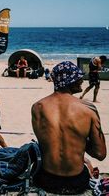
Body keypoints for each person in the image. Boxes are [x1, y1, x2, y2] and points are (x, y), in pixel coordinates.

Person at [32, 61, 106, 195]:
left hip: (46, 179)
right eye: (78, 78)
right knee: (88, 163)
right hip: (76, 182)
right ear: (69, 81)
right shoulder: (88, 109)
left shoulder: (37, 107)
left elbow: (45, 142)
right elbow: (100, 154)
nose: (82, 81)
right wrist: (79, 139)